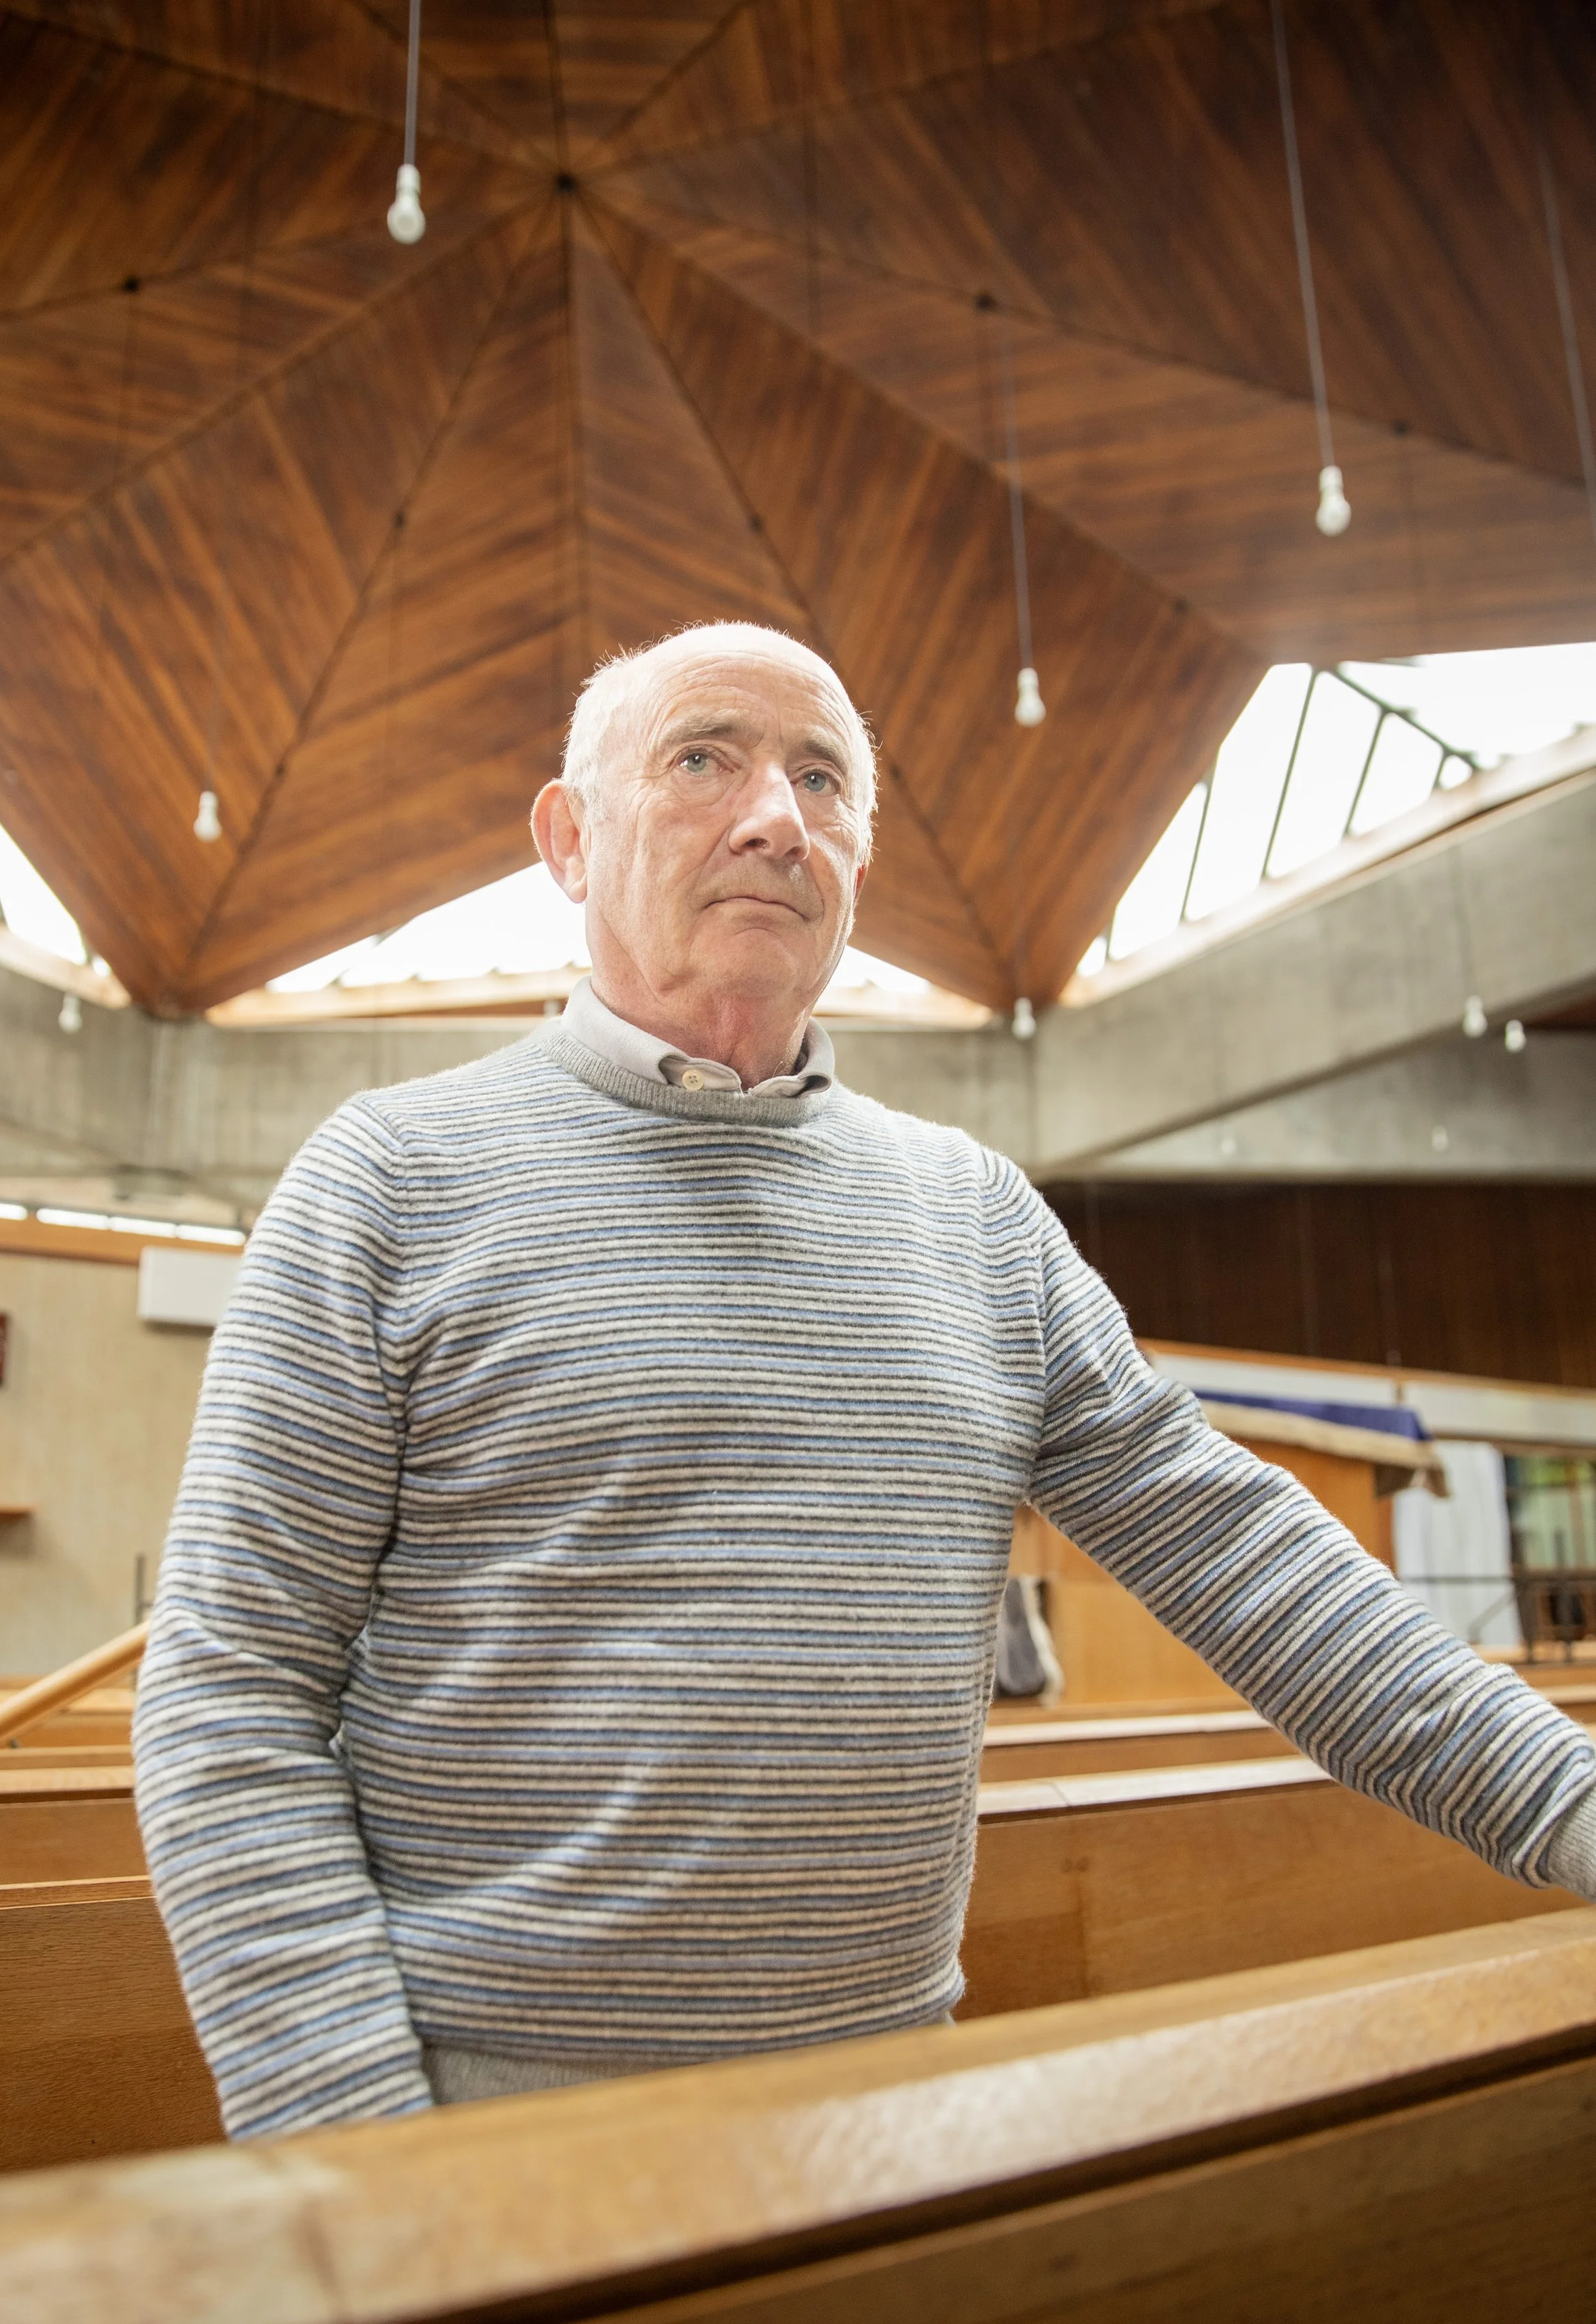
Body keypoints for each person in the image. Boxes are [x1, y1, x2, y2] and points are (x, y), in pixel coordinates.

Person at [136, 621, 1596, 2140]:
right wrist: (354, 2158)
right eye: (703, 758)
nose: (774, 814)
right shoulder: (386, 1181)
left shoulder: (972, 1218)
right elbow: (230, 1693)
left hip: (891, 2121)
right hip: (488, 2133)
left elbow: (1249, 1560)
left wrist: (1569, 1804)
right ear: (569, 839)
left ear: (855, 860)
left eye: (820, 778)